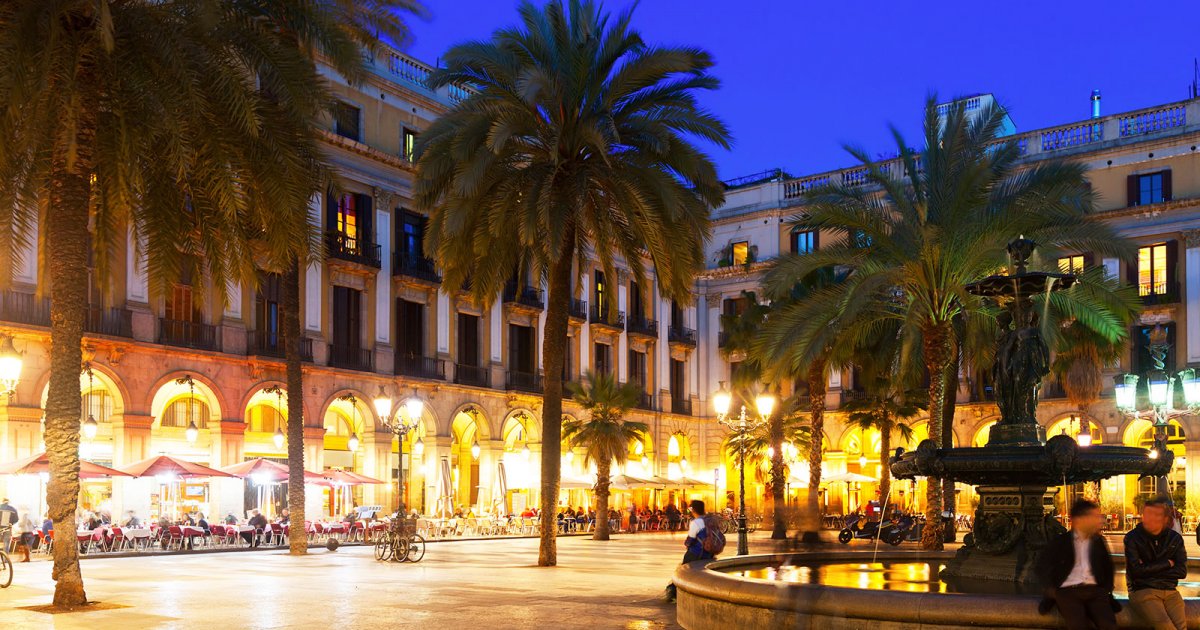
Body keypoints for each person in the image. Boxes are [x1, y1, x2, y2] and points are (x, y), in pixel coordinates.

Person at [1036, 499, 1118, 630]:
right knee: (1077, 625)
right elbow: (1042, 566)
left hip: (1095, 590)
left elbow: (1108, 567)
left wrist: (1106, 589)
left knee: (1108, 625)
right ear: (1080, 519)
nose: (1099, 520)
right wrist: (1051, 590)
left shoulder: (1098, 541)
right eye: (1094, 516)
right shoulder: (1061, 542)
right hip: (1068, 591)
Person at [1125, 496, 1187, 630]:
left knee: (1182, 627)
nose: (1150, 519)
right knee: (1165, 626)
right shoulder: (1132, 538)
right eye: (1147, 514)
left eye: (1156, 515)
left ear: (1165, 519)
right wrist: (1167, 563)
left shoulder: (1174, 539)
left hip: (1170, 591)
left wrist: (1148, 568)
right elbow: (1136, 571)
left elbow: (1182, 571)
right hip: (1143, 590)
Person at [664, 500, 716, 603]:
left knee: (682, 571)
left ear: (693, 509)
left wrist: (687, 544)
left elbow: (690, 539)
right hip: (709, 553)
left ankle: (672, 592)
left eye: (691, 509)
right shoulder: (709, 520)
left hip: (697, 552)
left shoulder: (696, 522)